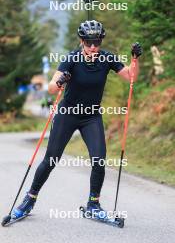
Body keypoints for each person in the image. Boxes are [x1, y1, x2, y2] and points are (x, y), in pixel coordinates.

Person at [12, 20, 142, 219]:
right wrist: (60, 80)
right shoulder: (72, 58)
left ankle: (93, 204)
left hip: (91, 116)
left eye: (97, 42)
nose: (93, 47)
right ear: (82, 41)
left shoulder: (107, 58)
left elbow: (131, 77)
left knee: (99, 160)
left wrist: (135, 59)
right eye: (89, 42)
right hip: (67, 115)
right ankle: (30, 198)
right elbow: (51, 88)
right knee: (51, 159)